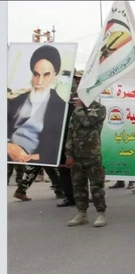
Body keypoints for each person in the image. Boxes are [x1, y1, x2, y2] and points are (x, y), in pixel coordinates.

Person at [7, 44, 67, 165]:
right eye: (36, 74)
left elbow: (58, 144)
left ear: (54, 75)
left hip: (35, 161)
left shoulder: (62, 107)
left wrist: (33, 157)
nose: (39, 81)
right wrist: (7, 146)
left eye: (46, 75)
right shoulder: (15, 100)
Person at [64, 98, 107, 227]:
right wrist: (68, 154)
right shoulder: (77, 111)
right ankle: (82, 213)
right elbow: (71, 133)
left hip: (92, 155)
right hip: (77, 156)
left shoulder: (99, 108)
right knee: (78, 186)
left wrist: (78, 109)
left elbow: (88, 122)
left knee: (96, 186)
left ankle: (100, 213)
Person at [57, 69, 82, 207]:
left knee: (79, 169)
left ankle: (81, 195)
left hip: (77, 139)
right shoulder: (58, 95)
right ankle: (70, 196)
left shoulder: (82, 96)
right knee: (63, 167)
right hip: (61, 137)